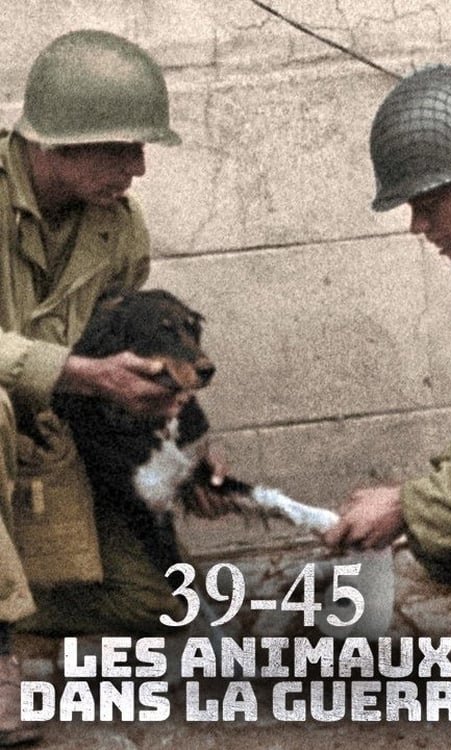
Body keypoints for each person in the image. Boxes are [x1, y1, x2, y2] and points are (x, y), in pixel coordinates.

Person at [0, 29, 225, 746]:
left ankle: (16, 601)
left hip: (46, 458)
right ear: (54, 144)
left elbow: (131, 352)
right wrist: (80, 374)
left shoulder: (118, 228)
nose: (139, 167)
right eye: (121, 148)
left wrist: (182, 436)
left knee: (155, 603)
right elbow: (82, 369)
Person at [324, 63, 451, 592]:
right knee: (448, 543)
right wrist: (433, 490)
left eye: (429, 205)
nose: (417, 226)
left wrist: (408, 503)